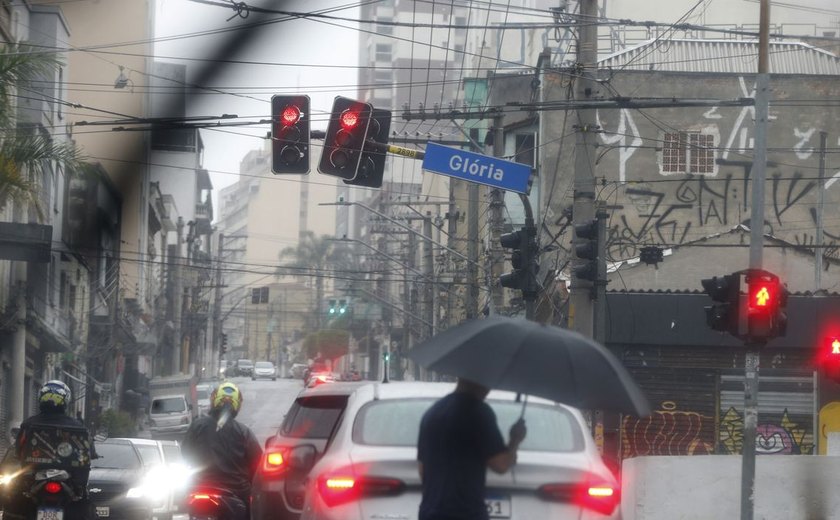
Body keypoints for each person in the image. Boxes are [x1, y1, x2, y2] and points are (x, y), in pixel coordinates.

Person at [417, 378, 527, 520]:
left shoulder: (432, 413)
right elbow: (501, 465)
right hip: (465, 513)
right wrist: (515, 440)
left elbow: (422, 470)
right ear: (480, 381)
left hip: (430, 512)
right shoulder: (479, 412)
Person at [9, 380, 94, 518]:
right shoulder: (78, 426)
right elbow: (88, 450)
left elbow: (19, 449)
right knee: (83, 495)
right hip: (66, 484)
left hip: (34, 481)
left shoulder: (29, 423)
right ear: (65, 400)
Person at [181, 381, 262, 520]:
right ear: (237, 405)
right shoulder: (244, 432)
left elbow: (185, 453)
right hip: (236, 492)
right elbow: (258, 464)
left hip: (199, 488)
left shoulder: (197, 426)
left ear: (214, 400)